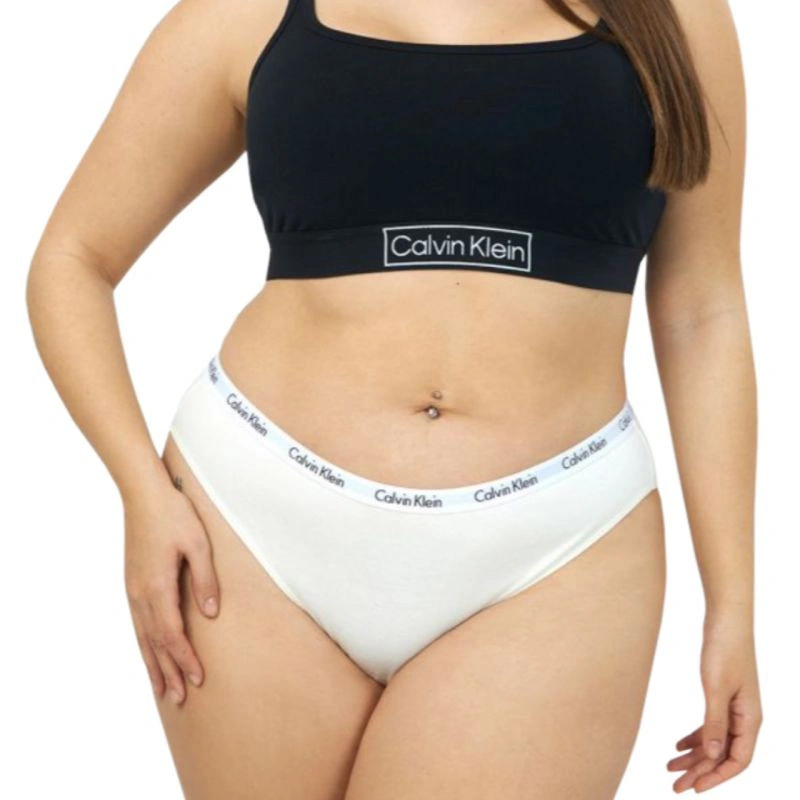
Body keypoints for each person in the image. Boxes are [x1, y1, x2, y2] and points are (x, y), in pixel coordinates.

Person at [26, 0, 761, 797]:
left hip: (556, 550)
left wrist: (732, 605)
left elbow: (702, 311)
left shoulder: (678, 15)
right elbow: (73, 257)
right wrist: (142, 493)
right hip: (254, 526)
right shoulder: (249, 13)